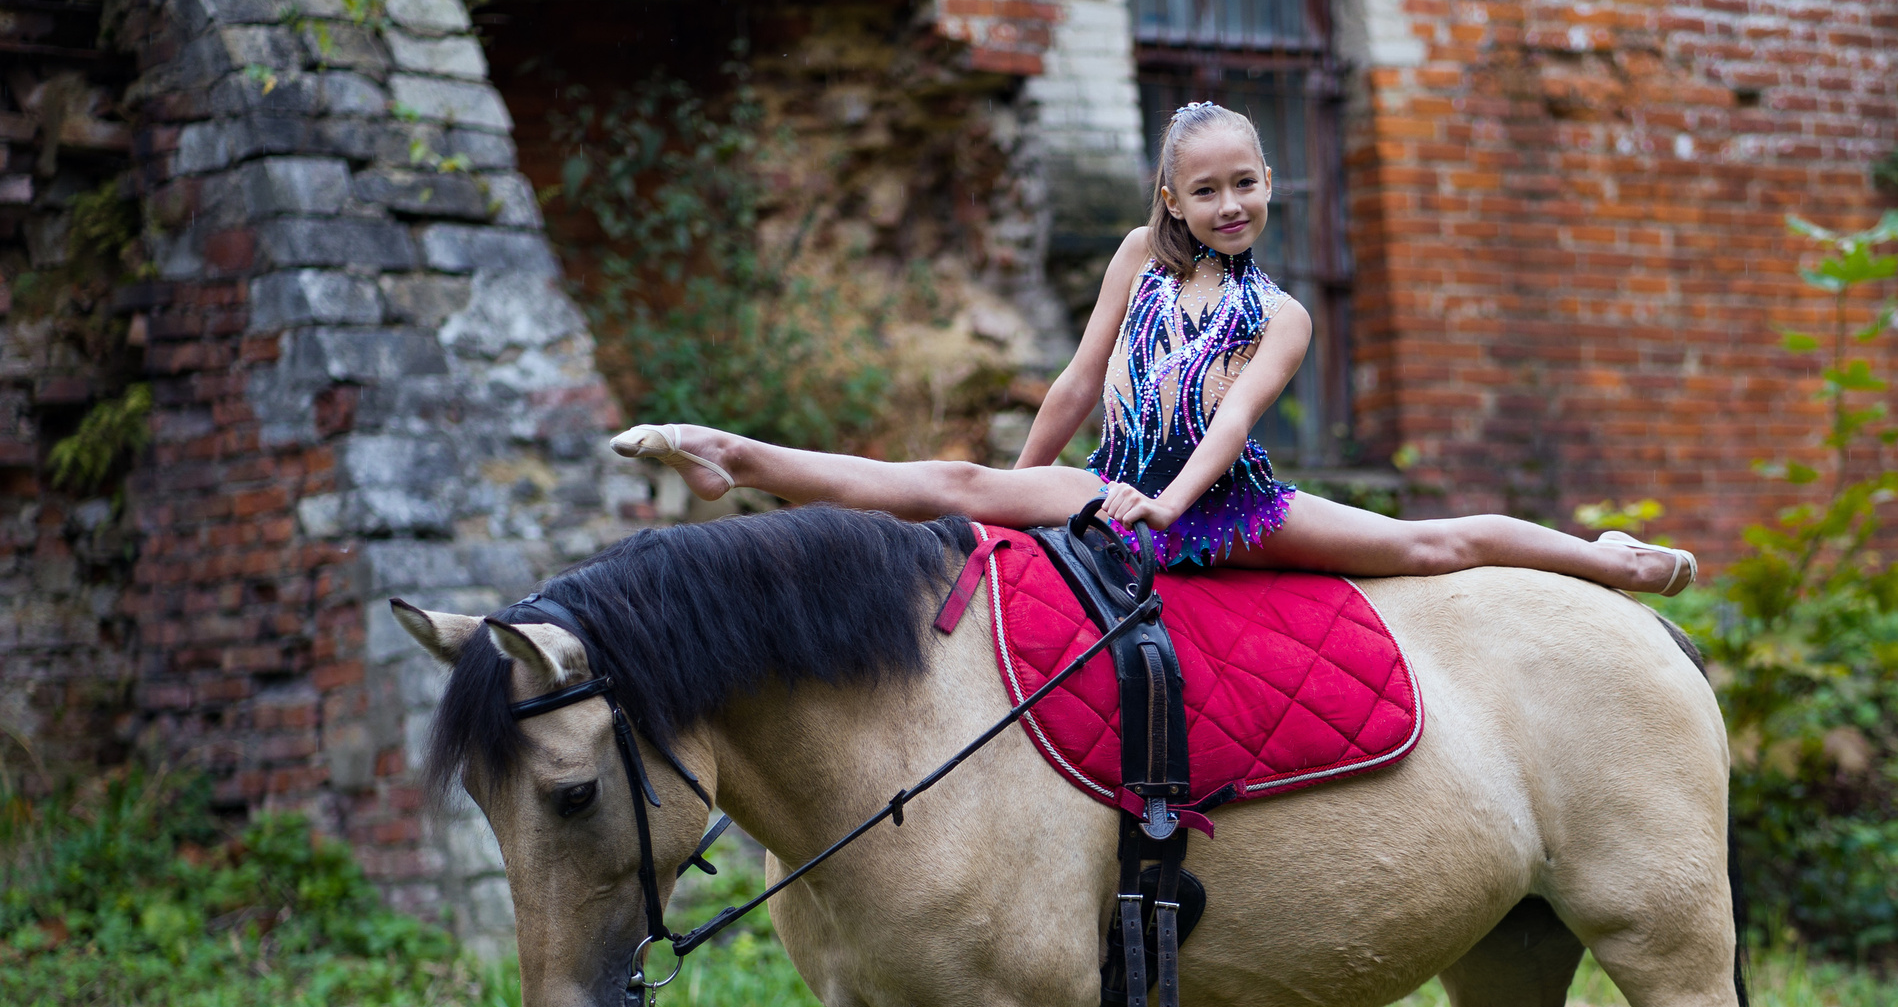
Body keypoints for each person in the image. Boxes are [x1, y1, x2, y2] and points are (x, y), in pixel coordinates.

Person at [611, 101, 1695, 595]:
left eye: (1246, 184)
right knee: (954, 481)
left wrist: (1169, 508)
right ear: (1171, 198)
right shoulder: (1137, 257)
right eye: (1207, 189)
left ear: (1268, 186)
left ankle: (1605, 558)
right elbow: (1079, 382)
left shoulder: (1281, 314)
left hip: (1225, 509)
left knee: (1430, 548)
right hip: (1114, 481)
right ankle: (732, 454)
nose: (1231, 205)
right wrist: (1015, 496)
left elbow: (1231, 424)